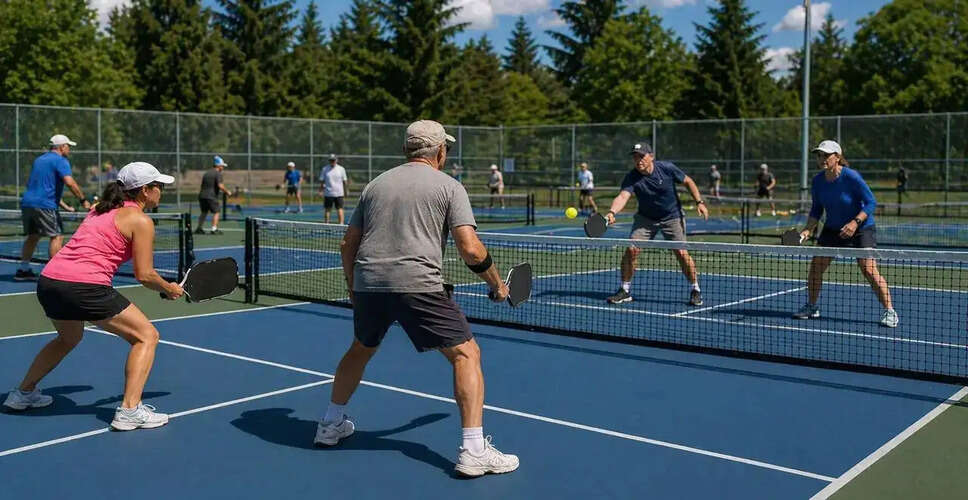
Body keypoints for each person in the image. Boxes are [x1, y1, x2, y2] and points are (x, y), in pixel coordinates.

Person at [315, 120, 519, 478]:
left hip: (368, 284)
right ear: (439, 152)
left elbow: (348, 244)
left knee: (361, 348)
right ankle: (474, 451)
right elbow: (471, 249)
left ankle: (330, 425)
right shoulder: (450, 186)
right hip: (417, 284)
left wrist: (353, 286)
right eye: (446, 149)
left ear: (406, 150)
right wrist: (498, 284)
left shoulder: (375, 185)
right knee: (466, 354)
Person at [3, 162, 184, 430]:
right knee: (146, 336)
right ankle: (130, 410)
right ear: (145, 190)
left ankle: (23, 393)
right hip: (84, 287)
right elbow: (145, 275)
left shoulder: (99, 209)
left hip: (50, 282)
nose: (162, 192)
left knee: (69, 338)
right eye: (159, 186)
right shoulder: (141, 221)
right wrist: (169, 288)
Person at [792, 140, 898, 328]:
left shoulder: (851, 177)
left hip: (861, 228)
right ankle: (812, 307)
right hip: (832, 229)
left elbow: (871, 202)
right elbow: (817, 209)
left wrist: (855, 222)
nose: (822, 159)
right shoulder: (817, 181)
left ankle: (890, 311)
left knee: (868, 269)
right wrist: (808, 229)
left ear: (837, 157)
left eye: (826, 155)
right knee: (816, 267)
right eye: (819, 155)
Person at [604, 142, 708, 306]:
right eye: (635, 157)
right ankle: (624, 290)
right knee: (631, 250)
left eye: (641, 156)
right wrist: (612, 212)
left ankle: (695, 289)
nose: (638, 160)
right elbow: (623, 196)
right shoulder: (631, 177)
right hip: (645, 219)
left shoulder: (666, 168)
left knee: (681, 253)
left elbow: (688, 181)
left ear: (651, 156)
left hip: (672, 216)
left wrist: (699, 202)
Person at [15, 134, 91, 281]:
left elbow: (43, 187)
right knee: (57, 236)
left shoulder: (39, 160)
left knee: (33, 236)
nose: (69, 149)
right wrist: (83, 200)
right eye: (68, 146)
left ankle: (23, 269)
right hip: (45, 205)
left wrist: (65, 206)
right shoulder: (61, 160)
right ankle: (55, 274)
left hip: (28, 203)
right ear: (62, 147)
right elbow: (69, 182)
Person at [196, 155, 231, 235]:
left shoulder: (207, 173)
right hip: (211, 196)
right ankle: (214, 229)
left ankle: (199, 228)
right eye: (222, 166)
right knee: (216, 211)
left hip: (202, 196)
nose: (223, 168)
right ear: (218, 166)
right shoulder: (218, 174)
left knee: (204, 212)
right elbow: (220, 185)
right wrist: (227, 192)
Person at [320, 154, 349, 224]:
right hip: (328, 193)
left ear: (336, 160)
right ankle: (326, 225)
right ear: (329, 161)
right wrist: (320, 190)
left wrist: (346, 190)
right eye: (331, 160)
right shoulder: (325, 169)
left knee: (340, 209)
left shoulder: (341, 169)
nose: (332, 162)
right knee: (328, 209)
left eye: (333, 160)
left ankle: (341, 225)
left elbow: (345, 181)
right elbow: (322, 181)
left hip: (339, 193)